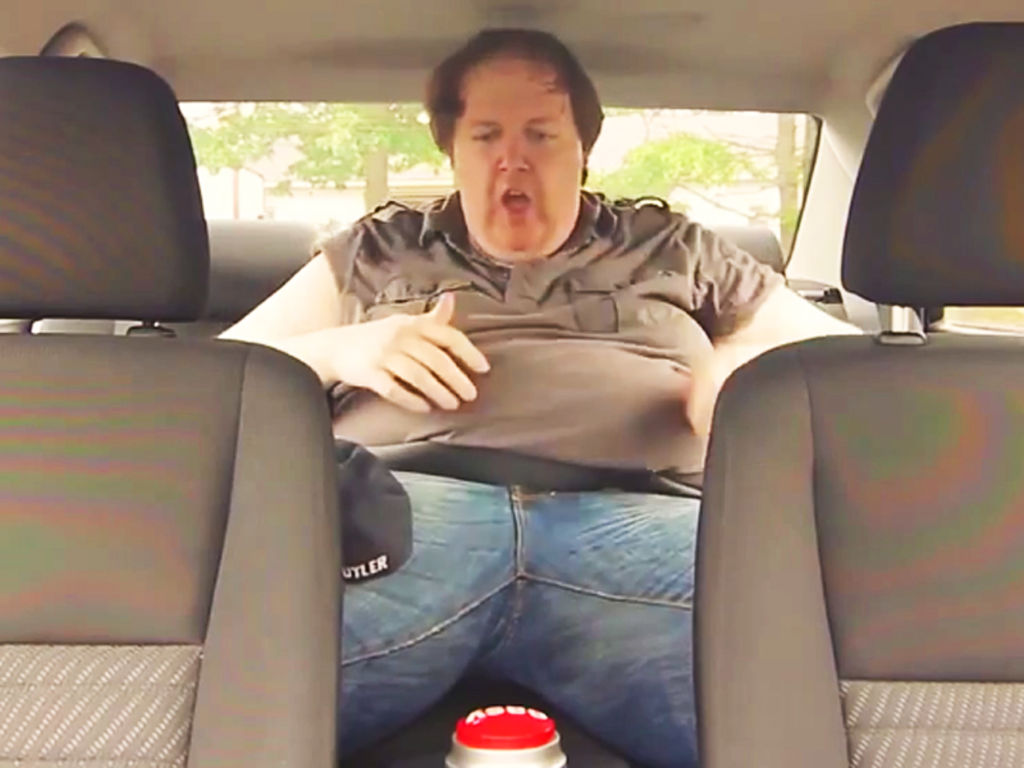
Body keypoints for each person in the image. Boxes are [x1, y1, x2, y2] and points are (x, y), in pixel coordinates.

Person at [221, 28, 858, 767]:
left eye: (542, 135)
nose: (512, 160)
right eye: (486, 135)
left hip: (646, 525)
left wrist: (742, 369)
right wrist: (336, 353)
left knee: (810, 717)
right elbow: (216, 387)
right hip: (403, 522)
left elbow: (838, 370)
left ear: (583, 149)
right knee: (223, 710)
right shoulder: (376, 251)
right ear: (452, 151)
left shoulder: (673, 248)